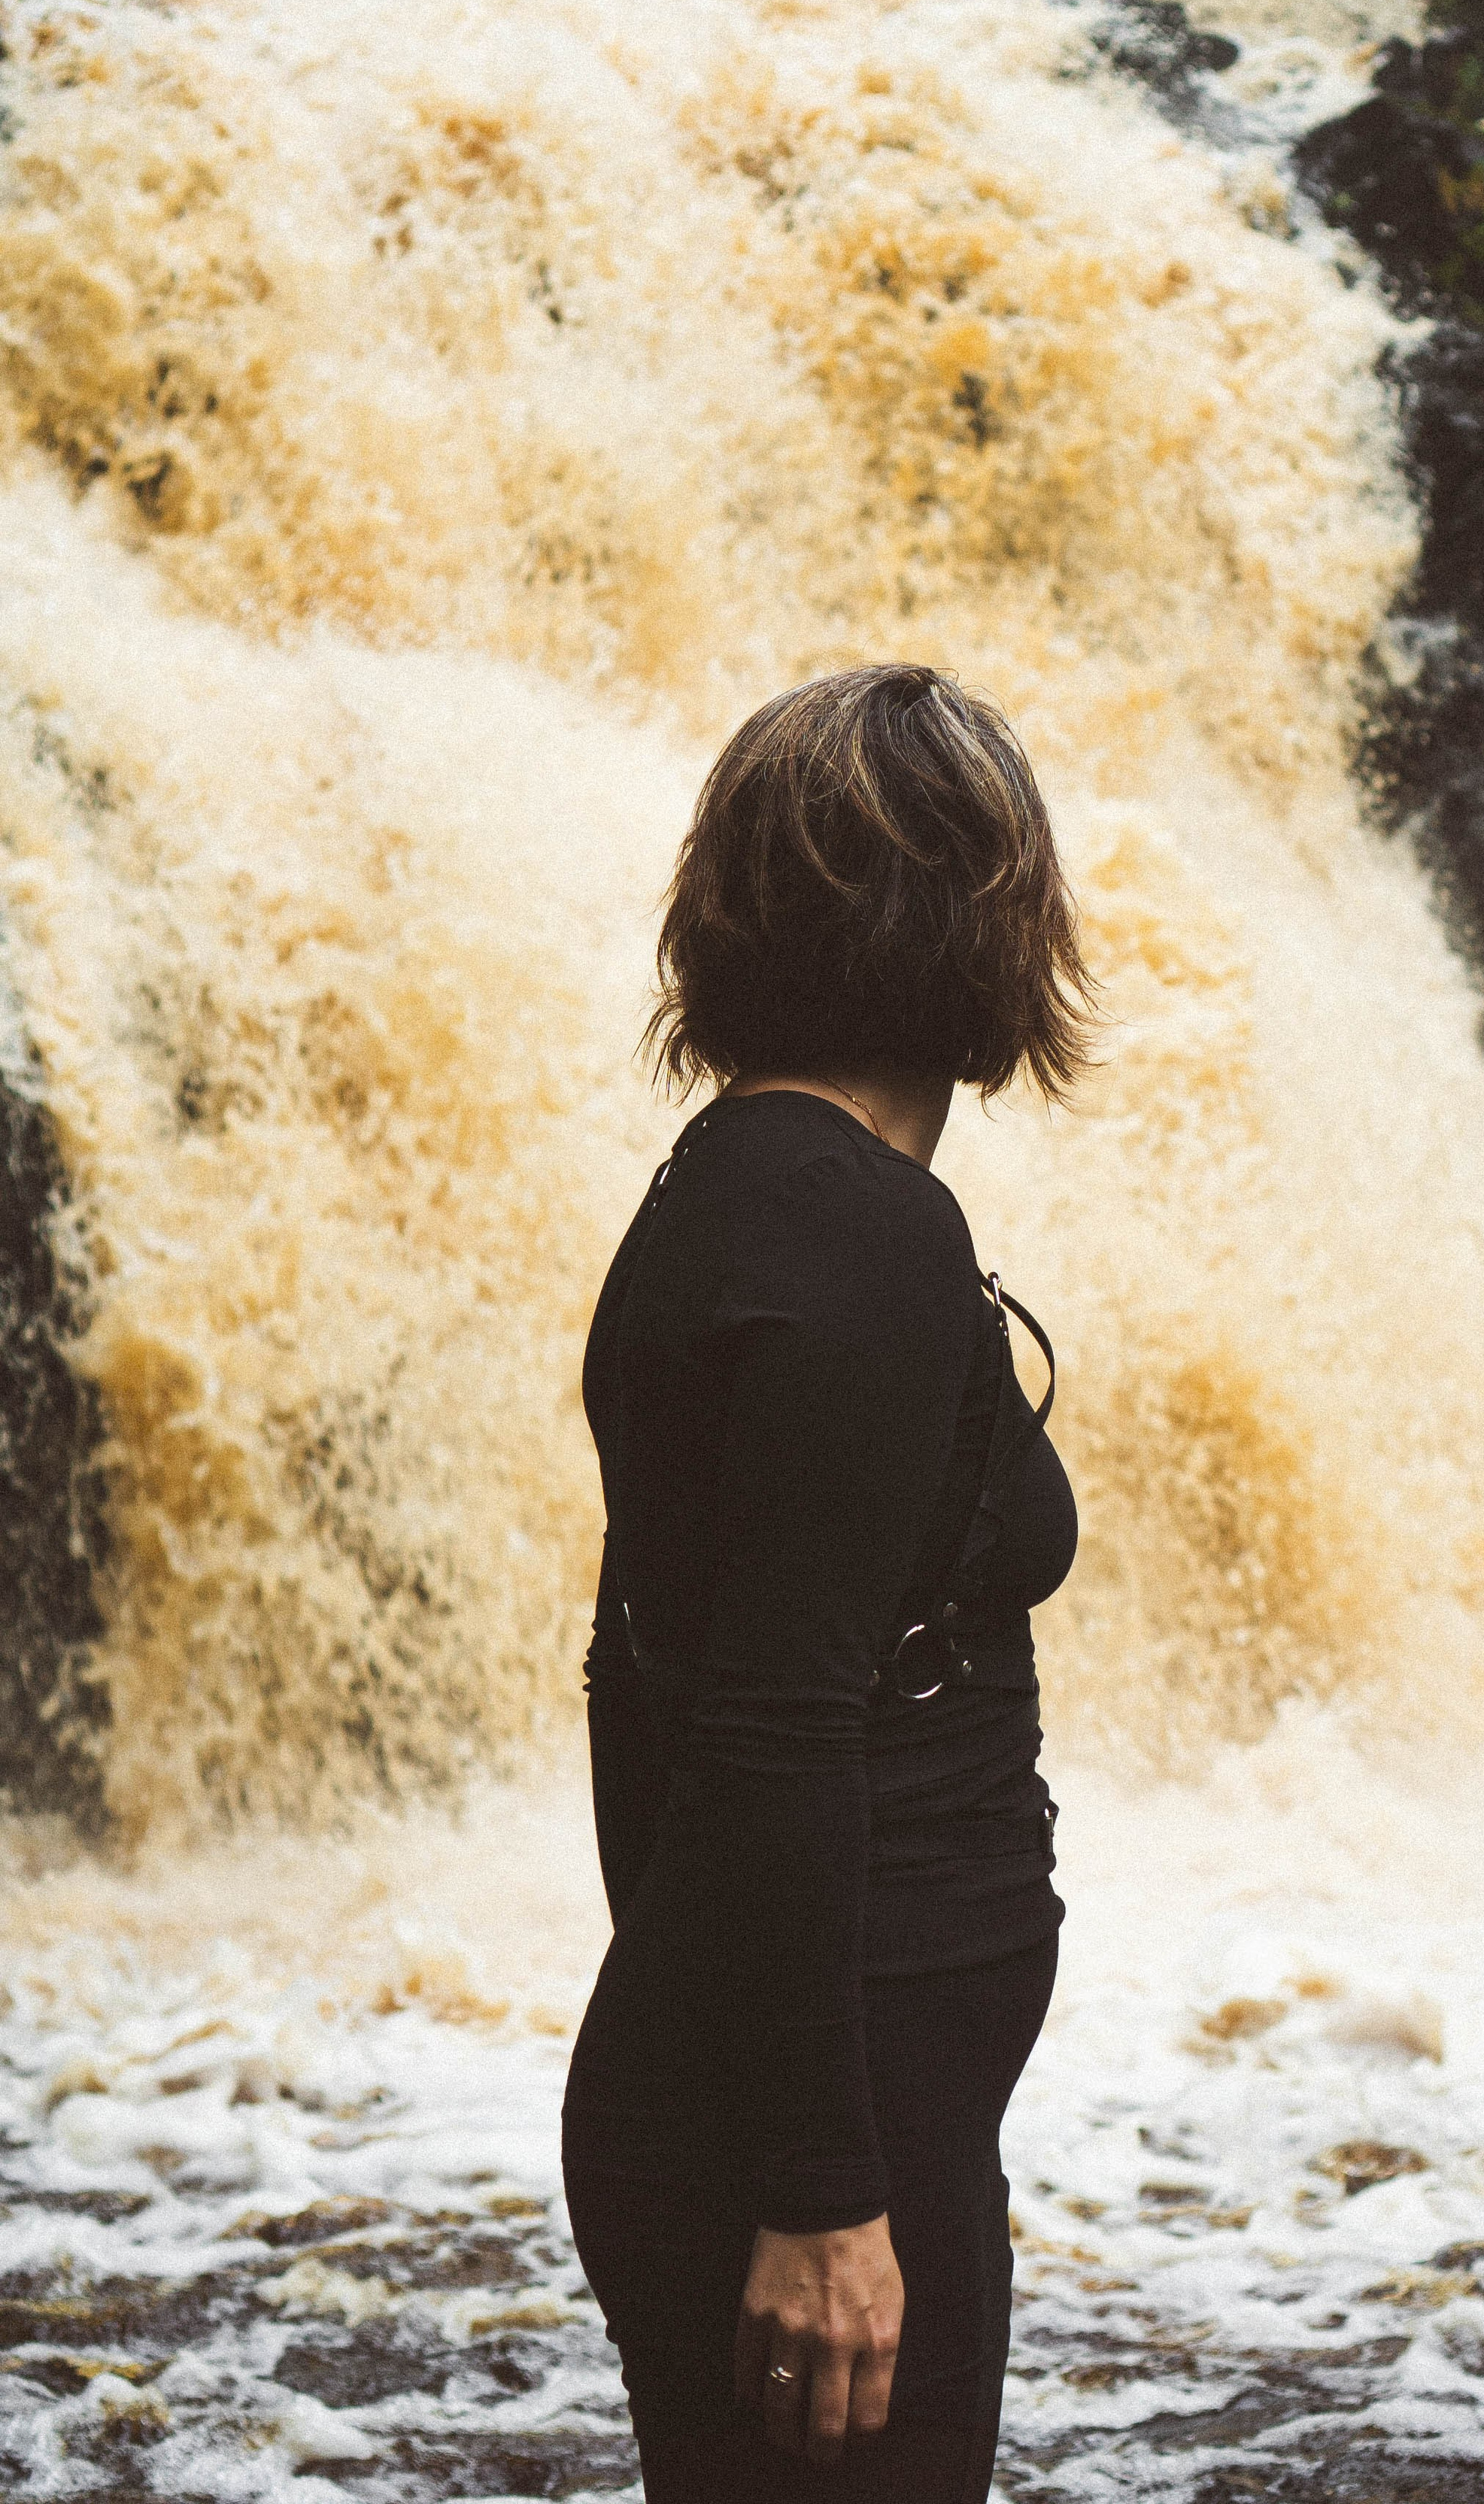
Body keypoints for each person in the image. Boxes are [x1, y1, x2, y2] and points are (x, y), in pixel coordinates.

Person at [563, 663, 1094, 2500]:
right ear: (975, 924)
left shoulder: (725, 1195)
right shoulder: (860, 1234)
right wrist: (817, 2195)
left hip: (803, 2091)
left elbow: (639, 1685)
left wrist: (699, 2010)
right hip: (817, 2141)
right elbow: (775, 1728)